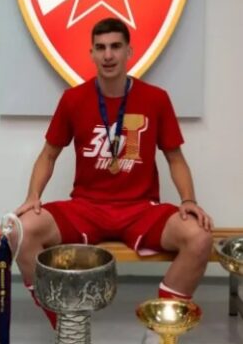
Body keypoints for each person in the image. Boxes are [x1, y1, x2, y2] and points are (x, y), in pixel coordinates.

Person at [12, 17, 213, 336]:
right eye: (101, 47)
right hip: (86, 208)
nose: (108, 55)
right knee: (21, 231)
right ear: (91, 53)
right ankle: (67, 327)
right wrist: (33, 195)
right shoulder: (73, 99)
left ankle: (161, 332)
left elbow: (175, 158)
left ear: (129, 52)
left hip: (141, 209)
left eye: (116, 47)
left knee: (200, 237)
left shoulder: (156, 98)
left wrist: (188, 200)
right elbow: (48, 154)